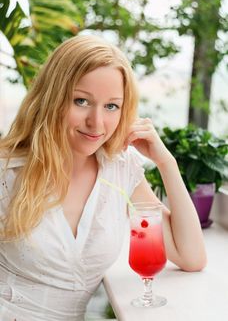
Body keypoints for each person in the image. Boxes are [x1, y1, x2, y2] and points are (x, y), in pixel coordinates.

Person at [0, 35, 206, 321]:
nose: (96, 123)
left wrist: (165, 162)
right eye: (81, 101)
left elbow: (191, 256)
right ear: (52, 98)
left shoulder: (119, 168)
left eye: (111, 106)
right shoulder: (7, 170)